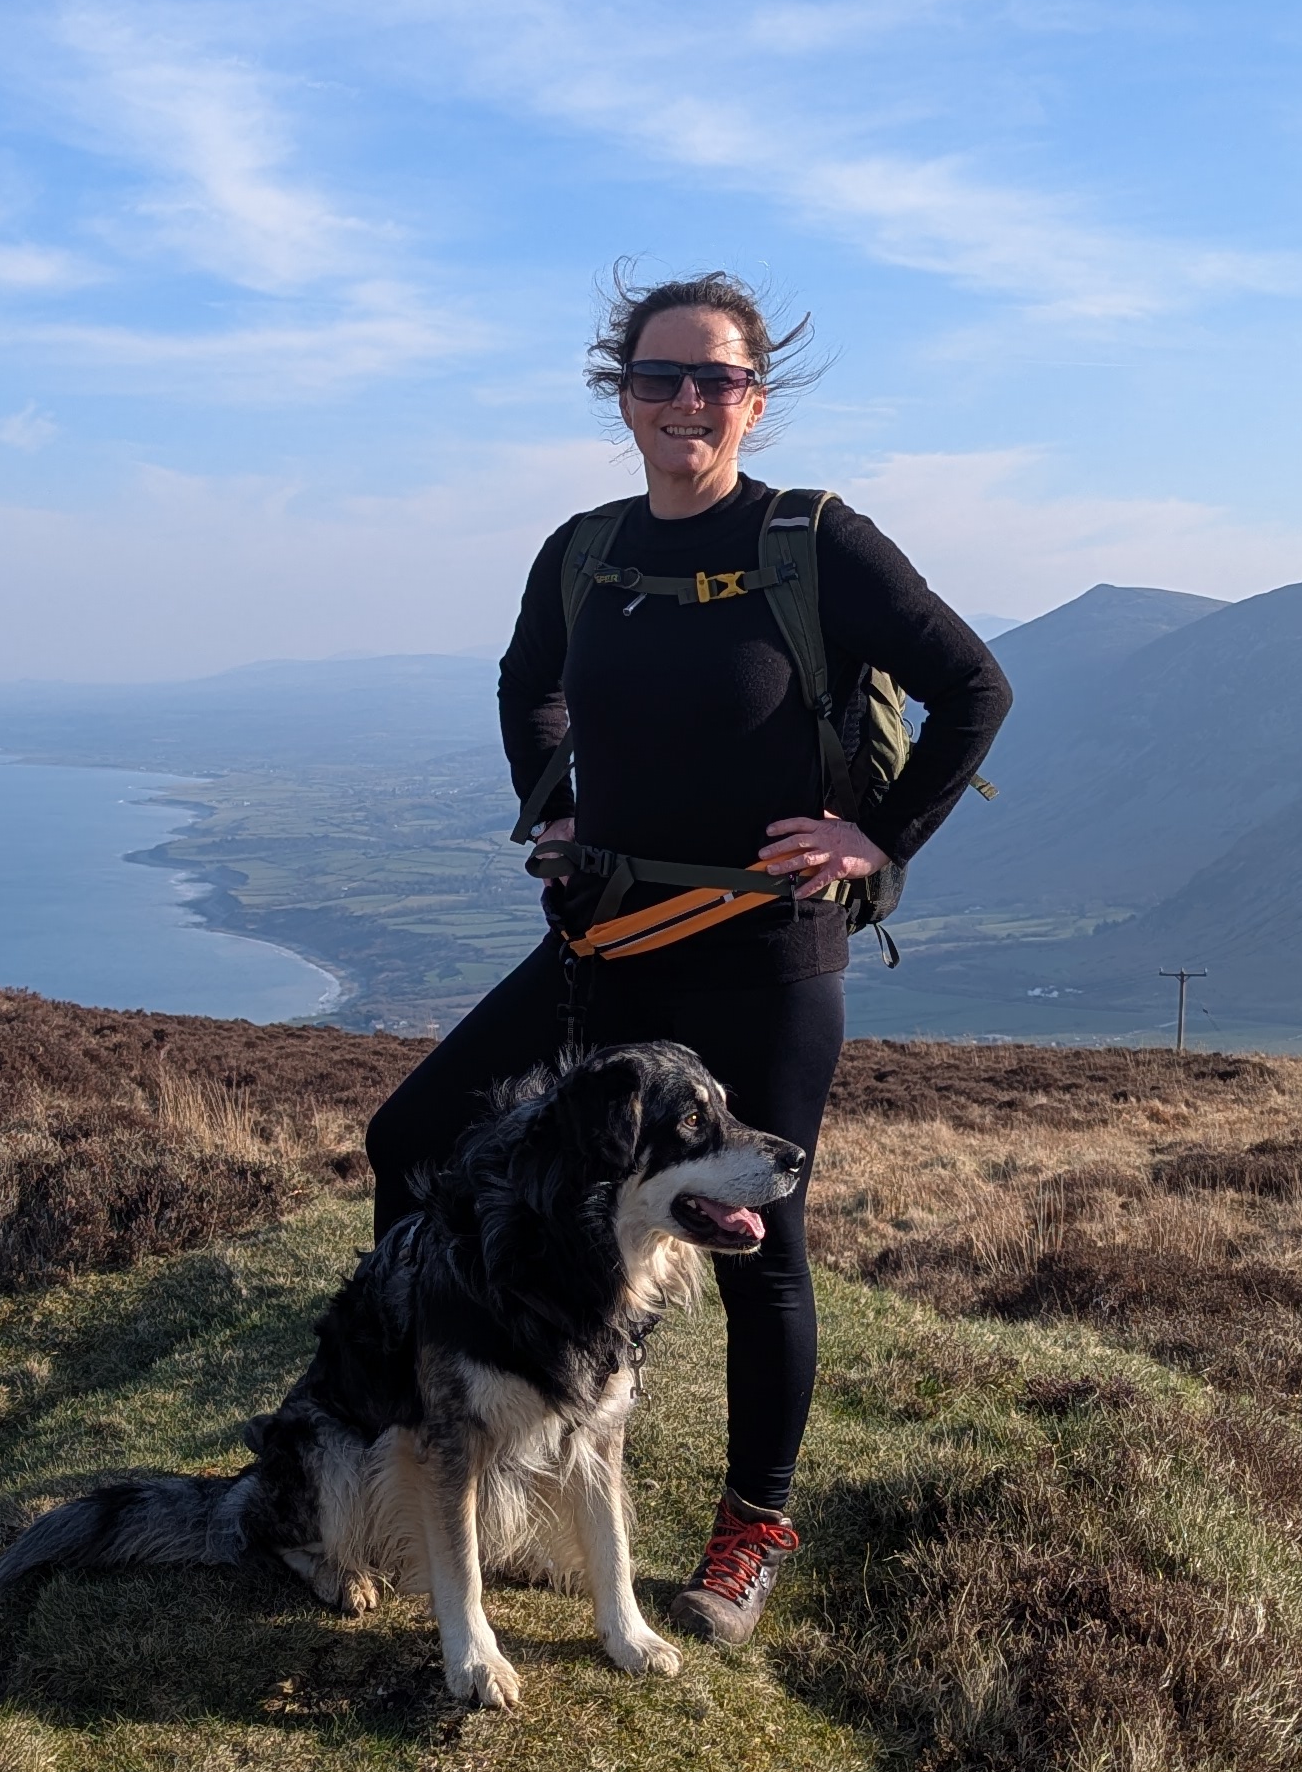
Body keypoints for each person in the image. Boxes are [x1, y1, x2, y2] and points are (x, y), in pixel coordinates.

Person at [363, 271, 1011, 1645]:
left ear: (754, 402)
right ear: (624, 396)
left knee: (760, 1243)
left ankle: (749, 1531)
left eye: (715, 379)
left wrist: (876, 837)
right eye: (659, 377)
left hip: (768, 955)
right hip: (605, 942)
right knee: (414, 1140)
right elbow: (527, 682)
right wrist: (552, 801)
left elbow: (975, 686)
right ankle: (441, 1438)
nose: (686, 402)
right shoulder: (585, 550)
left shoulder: (817, 544)